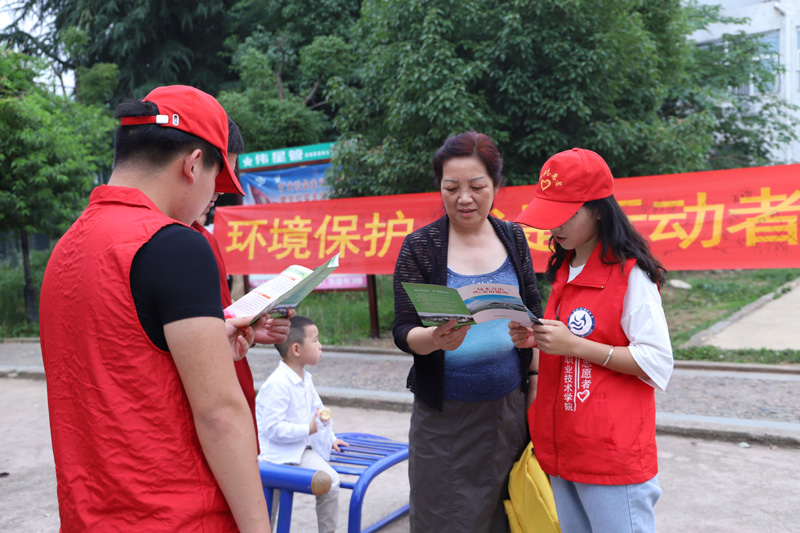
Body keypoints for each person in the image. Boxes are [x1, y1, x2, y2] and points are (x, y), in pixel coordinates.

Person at [39, 85, 270, 532]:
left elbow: (120, 364)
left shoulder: (67, 248)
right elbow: (220, 414)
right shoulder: (176, 246)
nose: (212, 201)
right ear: (193, 164)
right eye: (216, 185)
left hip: (90, 515)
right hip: (177, 515)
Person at [511, 147, 674, 533]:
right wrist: (537, 339)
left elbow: (656, 361)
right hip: (564, 447)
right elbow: (575, 338)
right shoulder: (566, 267)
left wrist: (575, 346)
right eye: (549, 215)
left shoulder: (631, 275)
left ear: (598, 209)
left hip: (610, 456)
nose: (554, 227)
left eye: (565, 214)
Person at [392, 131, 542, 532]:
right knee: (442, 518)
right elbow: (403, 329)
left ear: (496, 186)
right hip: (444, 419)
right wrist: (432, 339)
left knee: (508, 514)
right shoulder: (420, 247)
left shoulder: (514, 238)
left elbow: (534, 311)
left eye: (477, 186)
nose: (464, 198)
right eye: (451, 187)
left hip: (509, 409)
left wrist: (534, 380)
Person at [193, 117, 293, 445]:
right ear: (191, 165)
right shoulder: (175, 244)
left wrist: (248, 333)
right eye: (218, 176)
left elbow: (214, 321)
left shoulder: (202, 240)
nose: (220, 191)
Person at [256, 315, 348, 533]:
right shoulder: (277, 384)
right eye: (315, 340)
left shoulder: (305, 378)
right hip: (274, 457)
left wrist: (331, 437)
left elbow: (319, 410)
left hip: (299, 451)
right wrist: (309, 429)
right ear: (296, 349)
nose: (320, 345)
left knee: (331, 482)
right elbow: (273, 428)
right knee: (267, 509)